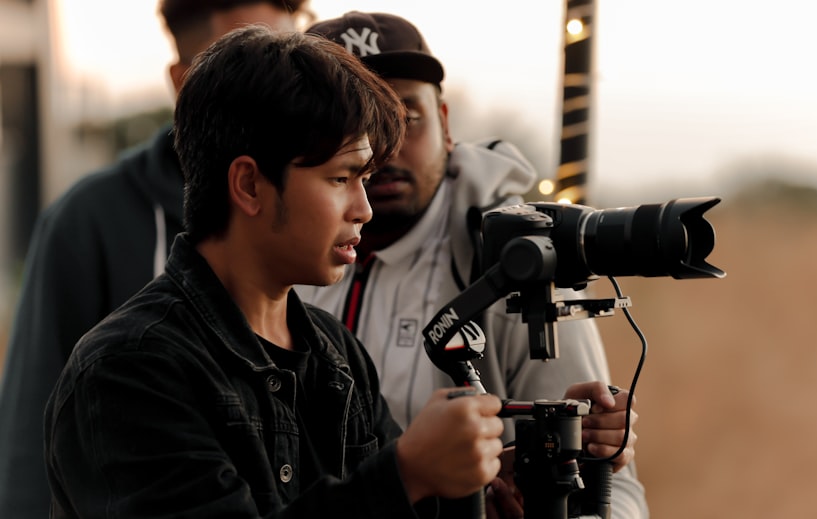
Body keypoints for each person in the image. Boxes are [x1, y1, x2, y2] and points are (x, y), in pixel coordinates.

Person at [44, 25, 632, 518]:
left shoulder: (334, 354)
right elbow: (380, 493)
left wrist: (492, 484)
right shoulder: (128, 371)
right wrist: (404, 476)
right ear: (249, 184)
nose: (364, 207)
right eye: (339, 178)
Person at [303, 11, 650, 518]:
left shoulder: (520, 260)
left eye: (405, 116)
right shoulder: (268, 265)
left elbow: (614, 487)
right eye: (346, 125)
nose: (381, 147)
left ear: (445, 124)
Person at [0, 2, 312, 517]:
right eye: (253, 59)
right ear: (185, 78)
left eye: (298, 56)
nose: (289, 88)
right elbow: (31, 436)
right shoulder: (89, 220)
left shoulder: (338, 222)